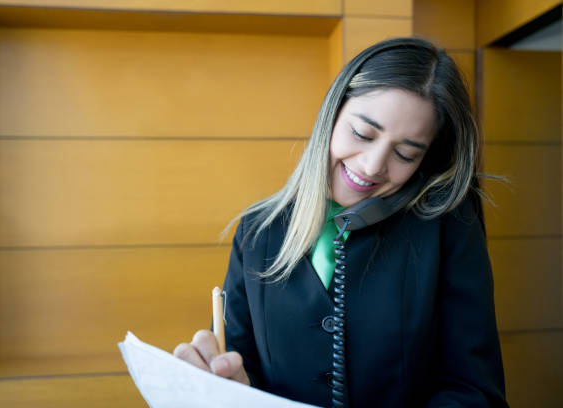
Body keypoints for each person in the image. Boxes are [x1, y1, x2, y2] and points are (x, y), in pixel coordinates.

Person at [173, 37, 508, 407]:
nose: (373, 166)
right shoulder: (258, 232)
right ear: (332, 114)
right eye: (362, 134)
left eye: (405, 153)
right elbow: (241, 364)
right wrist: (227, 386)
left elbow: (475, 391)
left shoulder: (446, 229)